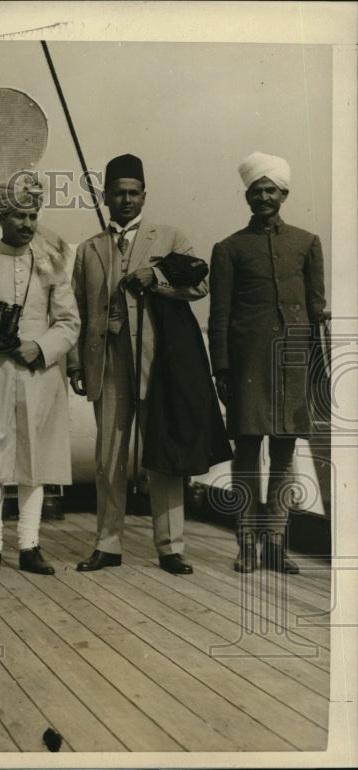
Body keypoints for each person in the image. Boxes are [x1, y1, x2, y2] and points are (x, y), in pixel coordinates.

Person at [67, 154, 206, 575]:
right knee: (109, 457)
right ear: (106, 197)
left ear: (144, 195)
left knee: (163, 452)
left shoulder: (170, 237)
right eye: (118, 193)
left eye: (133, 193)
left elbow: (200, 284)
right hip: (107, 363)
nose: (126, 199)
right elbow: (74, 311)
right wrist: (75, 364)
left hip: (157, 363)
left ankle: (171, 547)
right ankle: (108, 544)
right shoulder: (89, 249)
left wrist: (156, 278)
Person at [0, 173, 80, 577]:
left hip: (39, 376)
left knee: (34, 460)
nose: (27, 224)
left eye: (33, 216)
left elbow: (69, 323)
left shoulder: (52, 268)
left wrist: (38, 347)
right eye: (19, 216)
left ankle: (29, 545)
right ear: (3, 218)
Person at [208, 151, 328, 574]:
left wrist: (316, 369)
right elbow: (219, 316)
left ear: (284, 194)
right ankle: (246, 543)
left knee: (284, 454)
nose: (263, 197)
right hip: (247, 366)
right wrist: (221, 369)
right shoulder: (229, 248)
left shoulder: (307, 243)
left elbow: (317, 311)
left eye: (270, 190)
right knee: (245, 453)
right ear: (247, 195)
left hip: (293, 365)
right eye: (256, 190)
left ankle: (275, 544)